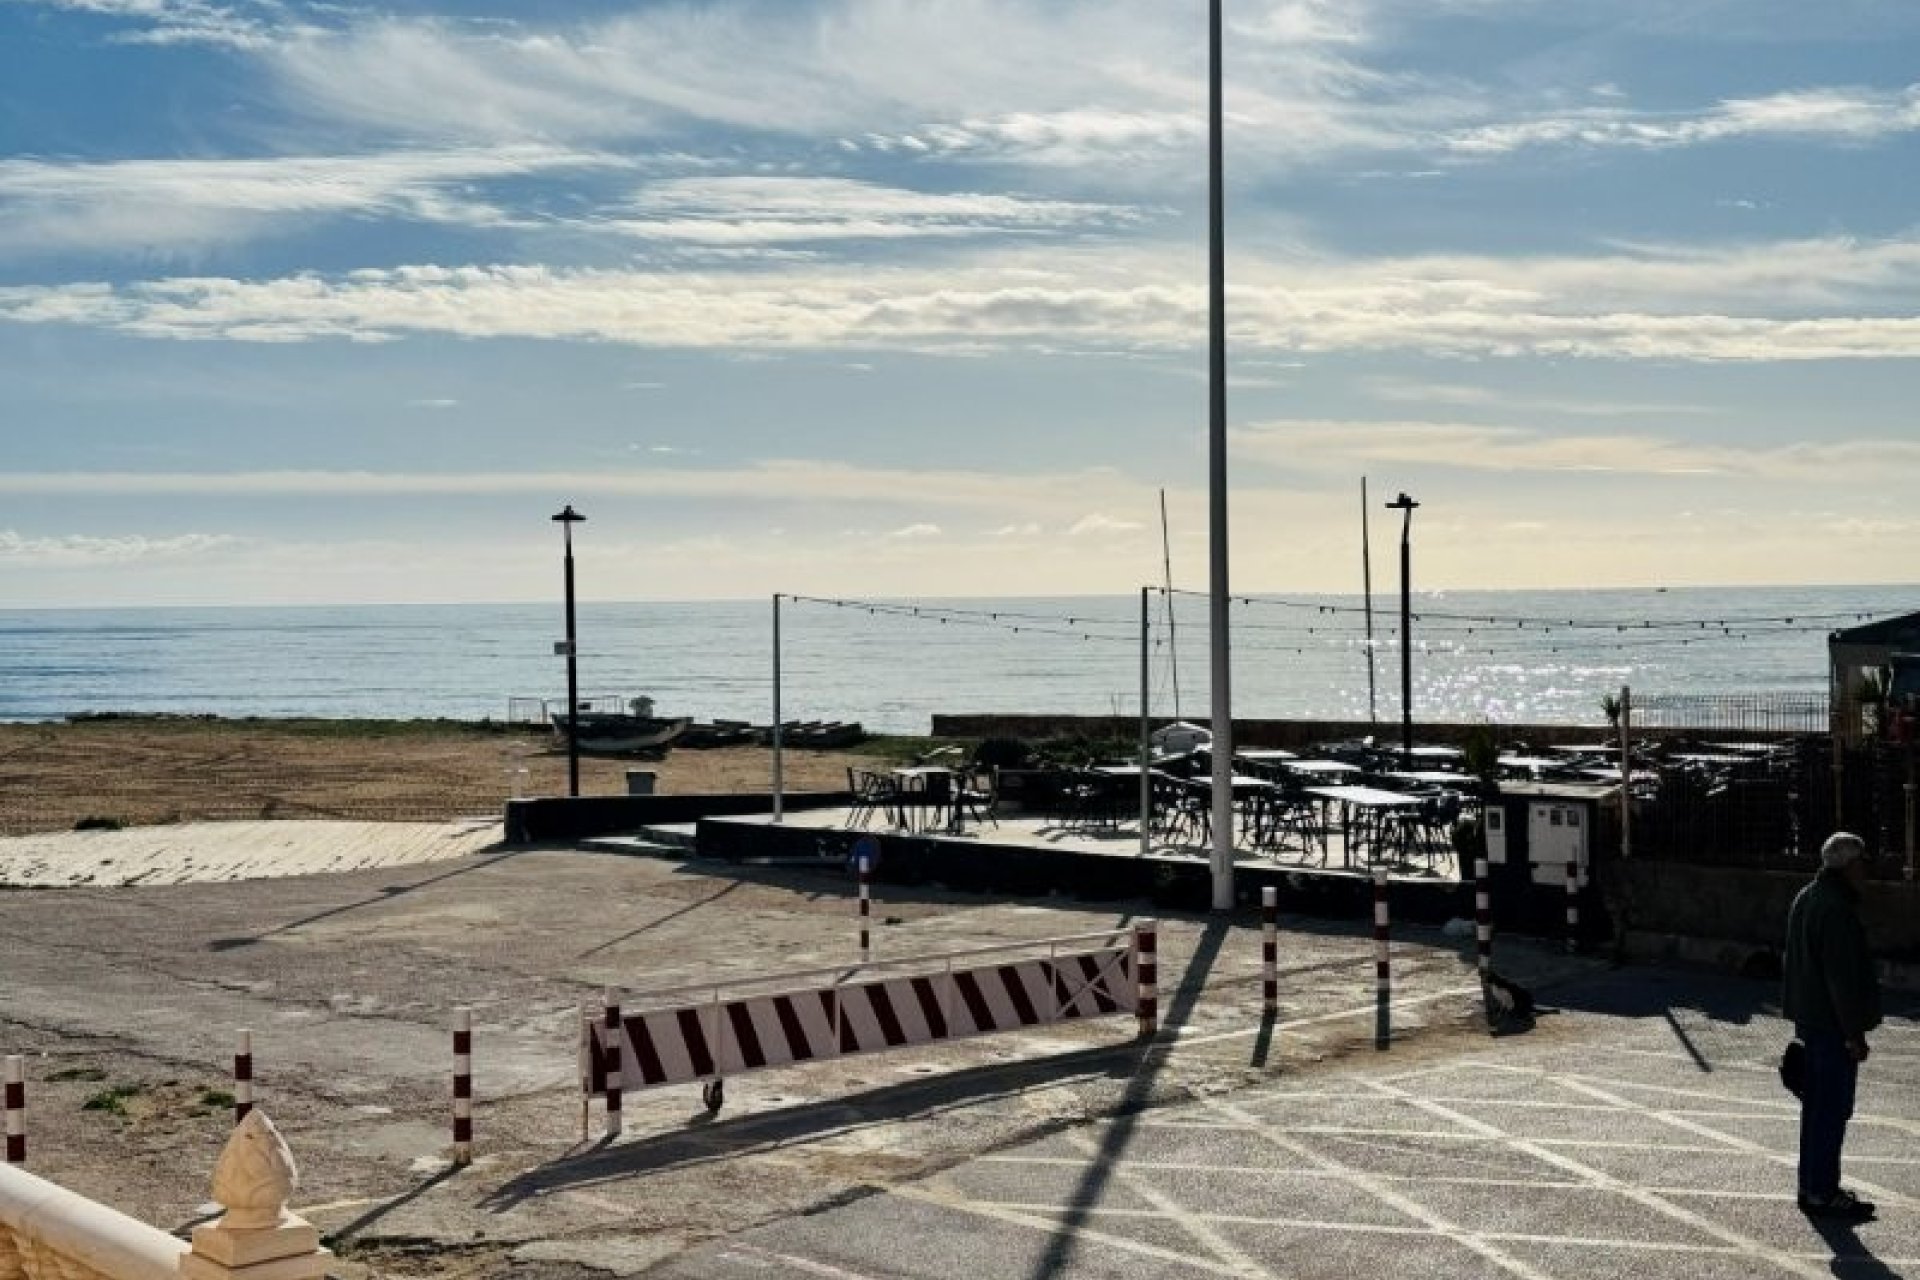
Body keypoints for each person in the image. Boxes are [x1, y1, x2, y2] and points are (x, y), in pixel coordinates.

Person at [1782, 830, 1882, 1221]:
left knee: (1817, 1109)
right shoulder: (1835, 908)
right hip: (1830, 1025)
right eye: (1862, 861)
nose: (1867, 868)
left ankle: (1814, 1187)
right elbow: (1839, 978)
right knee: (1831, 1110)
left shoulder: (1807, 897)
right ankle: (1822, 1191)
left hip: (1811, 1020)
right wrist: (1853, 1034)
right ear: (1848, 864)